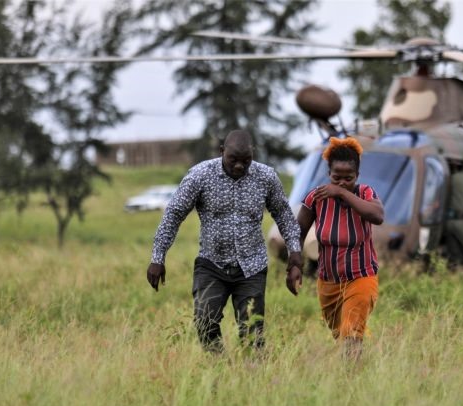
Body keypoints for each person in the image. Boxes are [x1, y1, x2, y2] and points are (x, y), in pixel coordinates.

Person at [146, 129, 302, 353]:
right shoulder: (200, 176)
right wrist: (157, 258)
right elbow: (173, 215)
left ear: (252, 154)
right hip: (212, 264)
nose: (239, 166)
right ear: (222, 152)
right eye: (233, 159)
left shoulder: (266, 177)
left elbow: (284, 215)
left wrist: (295, 253)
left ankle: (253, 370)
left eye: (245, 160)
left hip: (252, 266)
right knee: (204, 321)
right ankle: (217, 365)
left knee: (252, 330)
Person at [290, 136, 384, 360]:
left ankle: (350, 377)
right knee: (340, 333)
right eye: (336, 177)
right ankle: (362, 363)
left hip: (361, 277)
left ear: (357, 176)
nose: (342, 182)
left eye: (348, 178)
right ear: (328, 174)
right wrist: (294, 265)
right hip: (328, 282)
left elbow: (377, 216)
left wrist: (343, 193)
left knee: (351, 335)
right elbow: (298, 232)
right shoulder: (316, 198)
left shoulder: (365, 194)